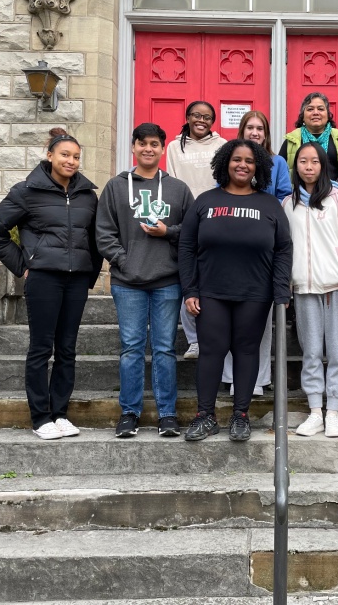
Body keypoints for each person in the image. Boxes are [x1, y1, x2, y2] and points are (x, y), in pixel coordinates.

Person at [0, 128, 102, 440]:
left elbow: (95, 240)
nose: (71, 161)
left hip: (76, 281)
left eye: (76, 157)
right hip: (44, 279)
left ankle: (60, 413)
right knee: (41, 348)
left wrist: (90, 272)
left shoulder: (88, 196)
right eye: (65, 155)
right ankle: (41, 417)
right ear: (49, 156)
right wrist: (24, 266)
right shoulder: (26, 192)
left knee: (67, 349)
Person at [178, 139, 292, 442]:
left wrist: (281, 291)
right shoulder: (205, 201)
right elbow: (187, 247)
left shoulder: (269, 204)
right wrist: (190, 289)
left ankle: (240, 415)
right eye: (237, 159)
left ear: (259, 167)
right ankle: (205, 415)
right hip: (211, 291)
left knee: (246, 351)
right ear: (225, 162)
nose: (243, 165)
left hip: (255, 293)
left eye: (250, 161)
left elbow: (283, 249)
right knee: (211, 352)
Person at [96, 123, 194, 439]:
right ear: (134, 147)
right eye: (142, 143)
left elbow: (191, 234)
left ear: (163, 149)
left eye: (154, 144)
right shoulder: (114, 187)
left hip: (167, 280)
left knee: (165, 348)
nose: (148, 149)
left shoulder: (178, 189)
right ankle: (129, 413)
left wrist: (169, 232)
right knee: (132, 348)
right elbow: (104, 233)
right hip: (127, 282)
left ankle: (167, 414)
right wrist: (124, 261)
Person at [283, 143, 338, 438]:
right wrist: (287, 286)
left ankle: (333, 412)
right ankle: (315, 410)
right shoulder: (288, 202)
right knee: (312, 351)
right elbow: (286, 248)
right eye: (302, 161)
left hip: (337, 287)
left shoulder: (336, 198)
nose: (308, 166)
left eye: (314, 161)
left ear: (322, 165)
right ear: (296, 166)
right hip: (304, 288)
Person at [219, 111, 290, 398]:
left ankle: (258, 378)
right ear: (242, 130)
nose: (255, 132)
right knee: (226, 318)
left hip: (263, 244)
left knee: (259, 319)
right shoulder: (230, 160)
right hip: (232, 243)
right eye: (250, 127)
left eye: (260, 128)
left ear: (266, 133)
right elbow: (220, 191)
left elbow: (285, 195)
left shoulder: (278, 162)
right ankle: (229, 375)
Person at [165, 101, 226, 362]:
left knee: (213, 278)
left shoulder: (221, 145)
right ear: (188, 117)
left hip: (217, 217)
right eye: (196, 115)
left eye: (207, 117)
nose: (201, 120)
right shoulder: (174, 147)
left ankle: (214, 335)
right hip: (188, 217)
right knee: (188, 280)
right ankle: (193, 341)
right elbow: (173, 180)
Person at [279, 92, 338, 181]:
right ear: (302, 116)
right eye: (310, 109)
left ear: (328, 115)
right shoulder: (291, 140)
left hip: (333, 193)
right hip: (300, 193)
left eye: (320, 109)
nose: (316, 113)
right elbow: (280, 172)